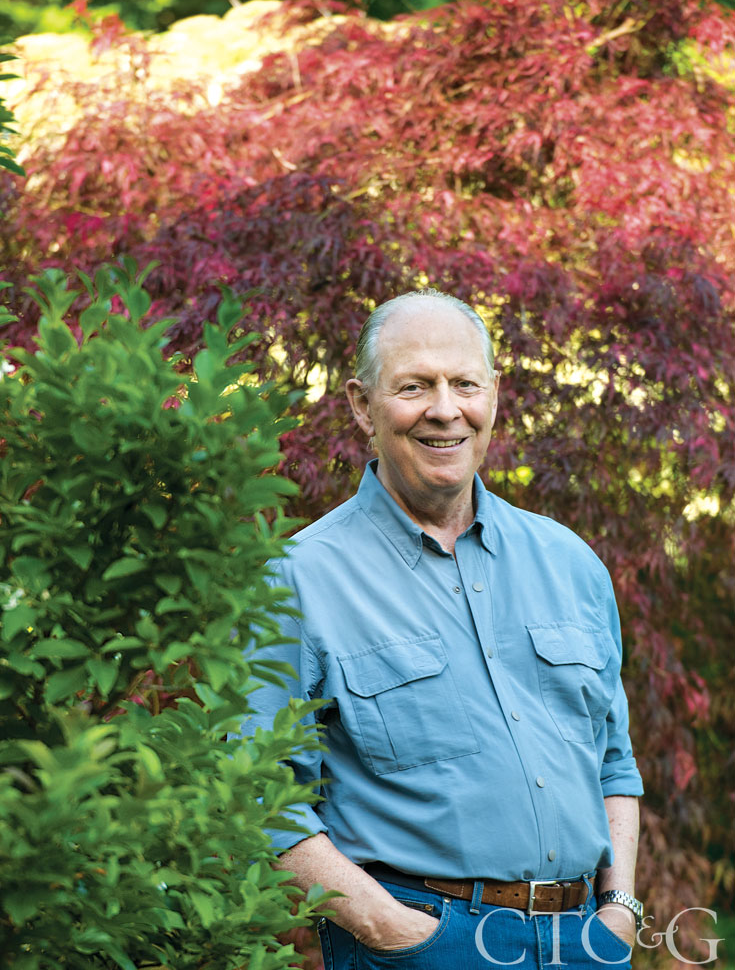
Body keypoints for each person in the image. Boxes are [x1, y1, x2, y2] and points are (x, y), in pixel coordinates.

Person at [248, 290, 644, 969]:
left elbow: (612, 760)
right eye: (413, 386)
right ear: (361, 405)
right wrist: (394, 932)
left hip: (585, 942)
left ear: (494, 394)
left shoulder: (570, 563)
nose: (444, 409)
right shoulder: (298, 579)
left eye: (464, 384)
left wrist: (619, 912)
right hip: (423, 942)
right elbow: (259, 795)